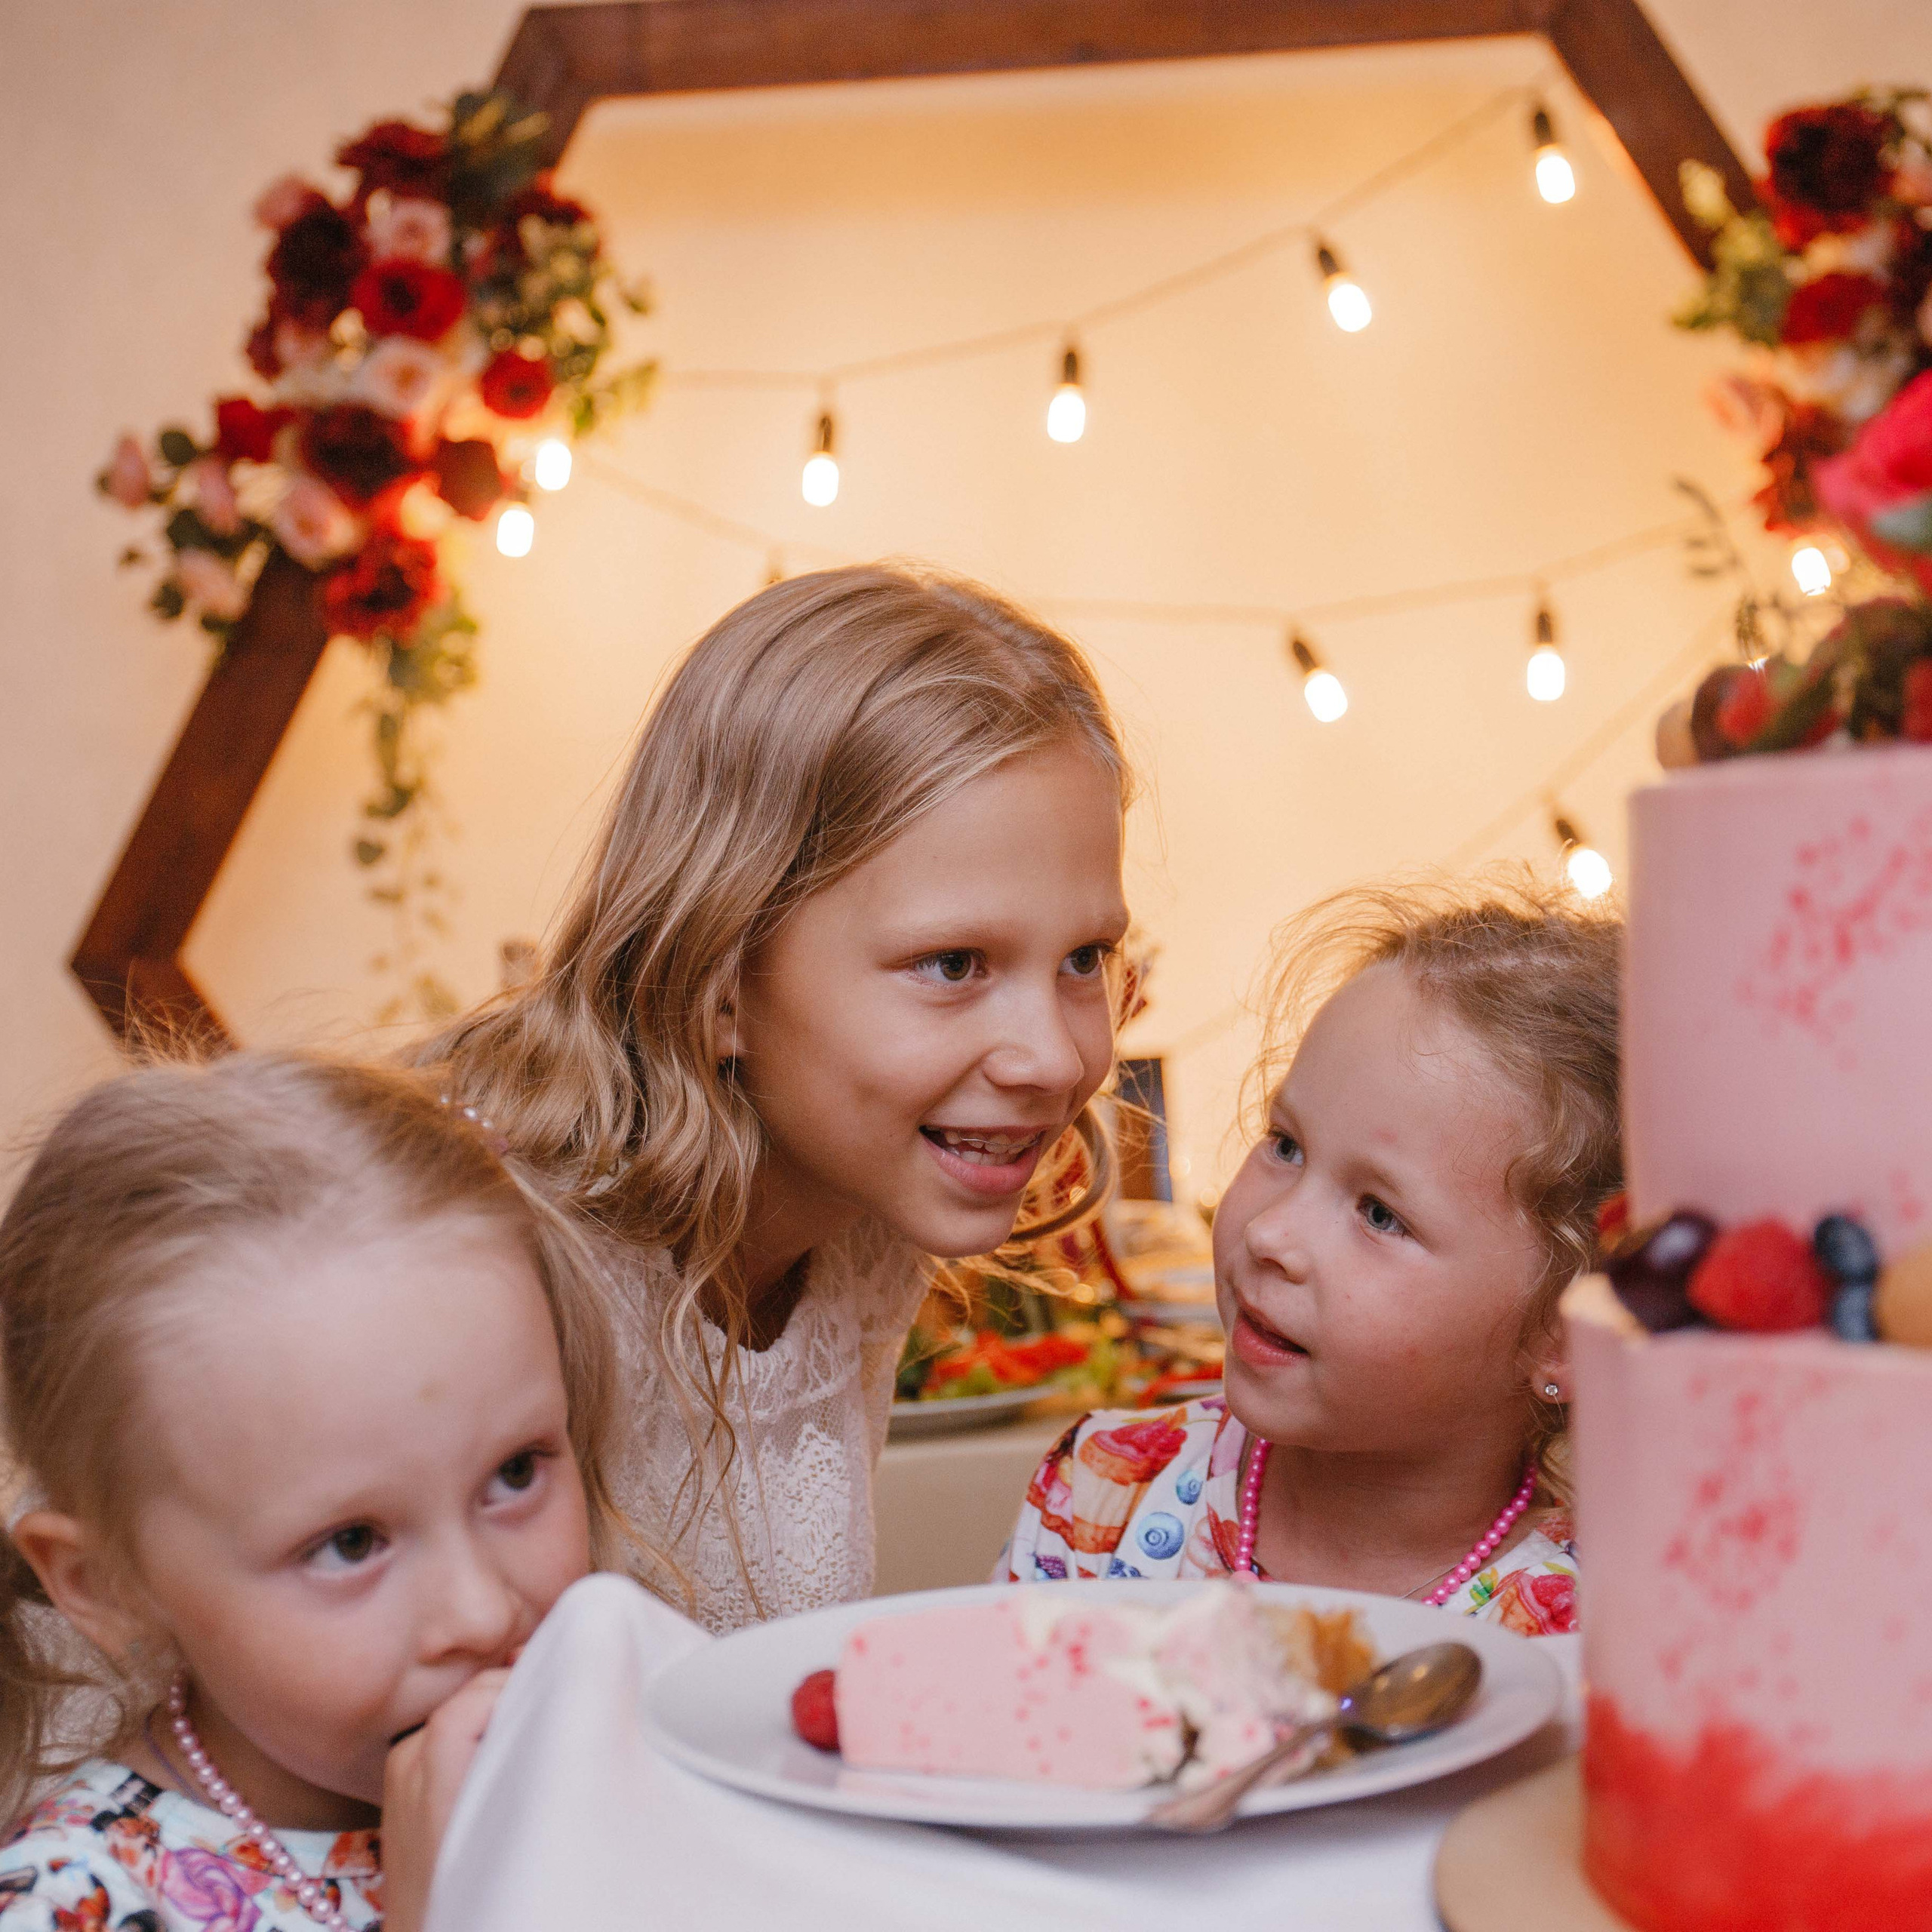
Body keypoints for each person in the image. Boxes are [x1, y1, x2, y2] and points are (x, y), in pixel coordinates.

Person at [413, 565, 1134, 1632]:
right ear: (718, 981)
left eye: (1085, 958)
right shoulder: (495, 1278)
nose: (1055, 1059)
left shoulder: (863, 1232)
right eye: (952, 964)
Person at [0, 1052, 647, 1929]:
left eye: (516, 1473)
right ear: (108, 1584)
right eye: (350, 1542)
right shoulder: (70, 1903)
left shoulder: (602, 1761)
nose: (483, 1612)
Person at [1000, 878, 1620, 1636]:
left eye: (1380, 1213)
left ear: (1564, 1332)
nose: (1270, 1234)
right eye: (1286, 1145)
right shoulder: (1102, 1494)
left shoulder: (1586, 1635)